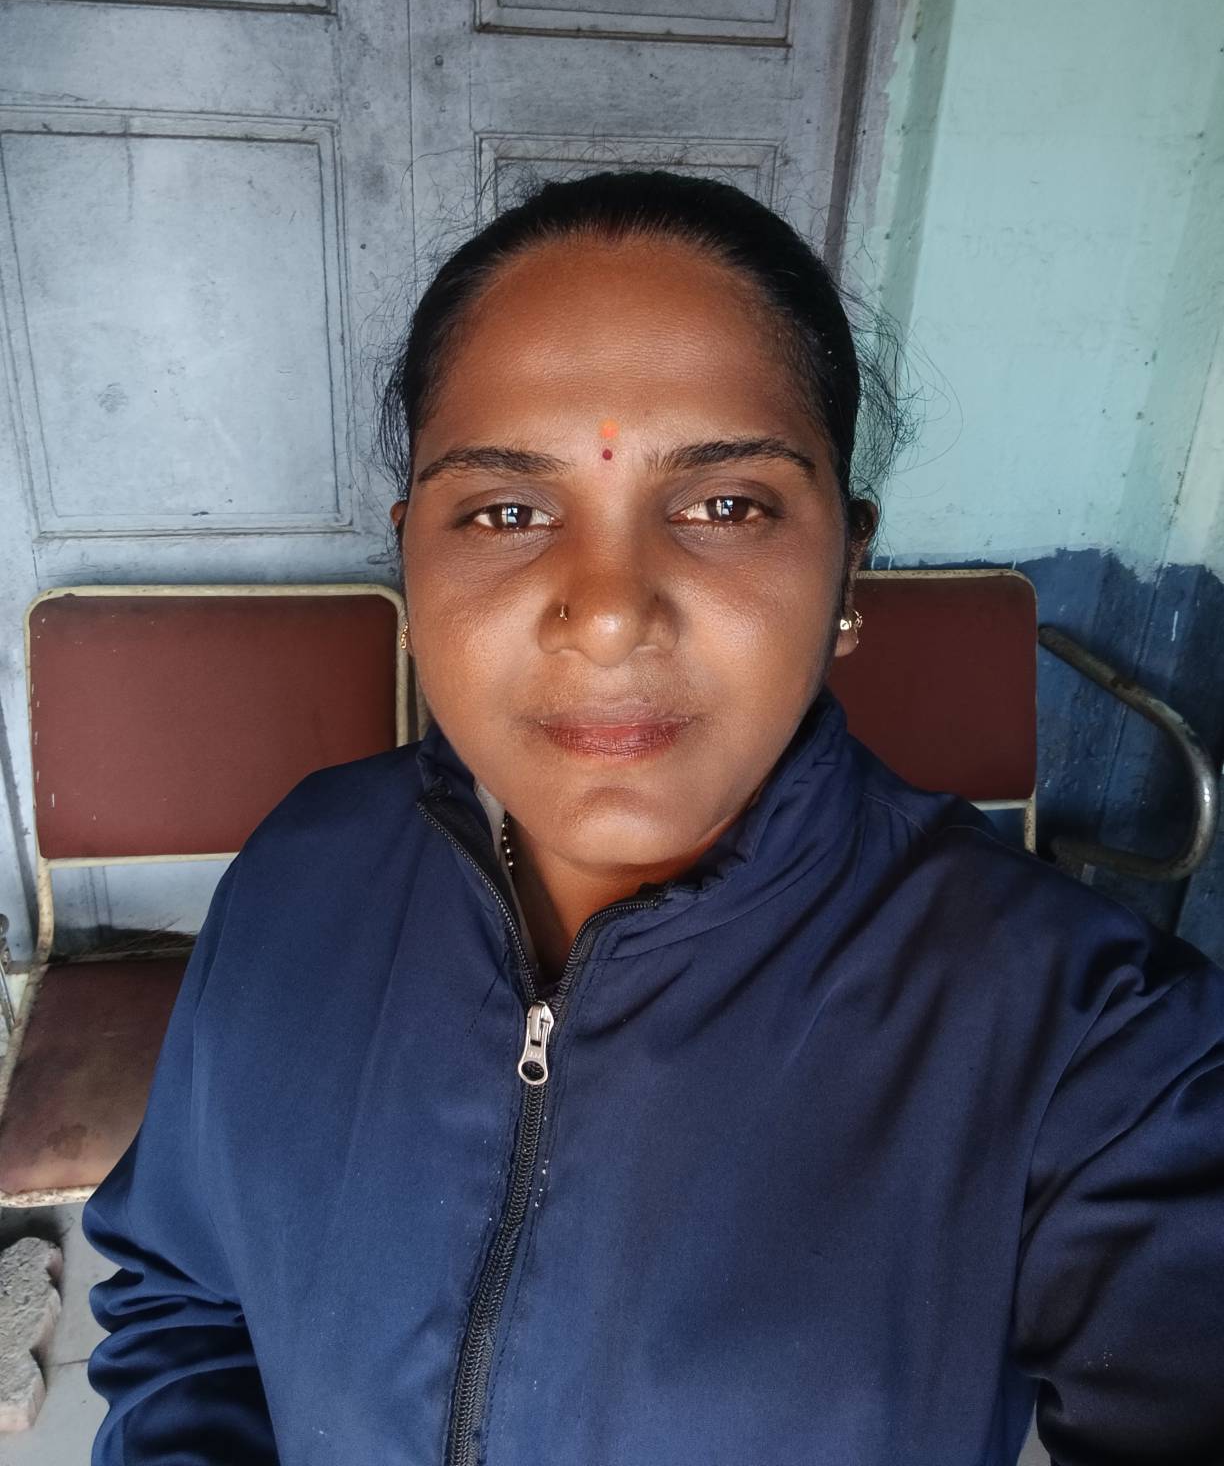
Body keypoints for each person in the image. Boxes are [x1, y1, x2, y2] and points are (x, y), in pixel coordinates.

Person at [83, 172, 1224, 1465]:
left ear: (847, 568)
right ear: (412, 559)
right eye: (507, 512)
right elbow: (187, 1303)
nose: (613, 612)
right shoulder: (305, 871)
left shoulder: (1094, 1043)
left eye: (725, 506)